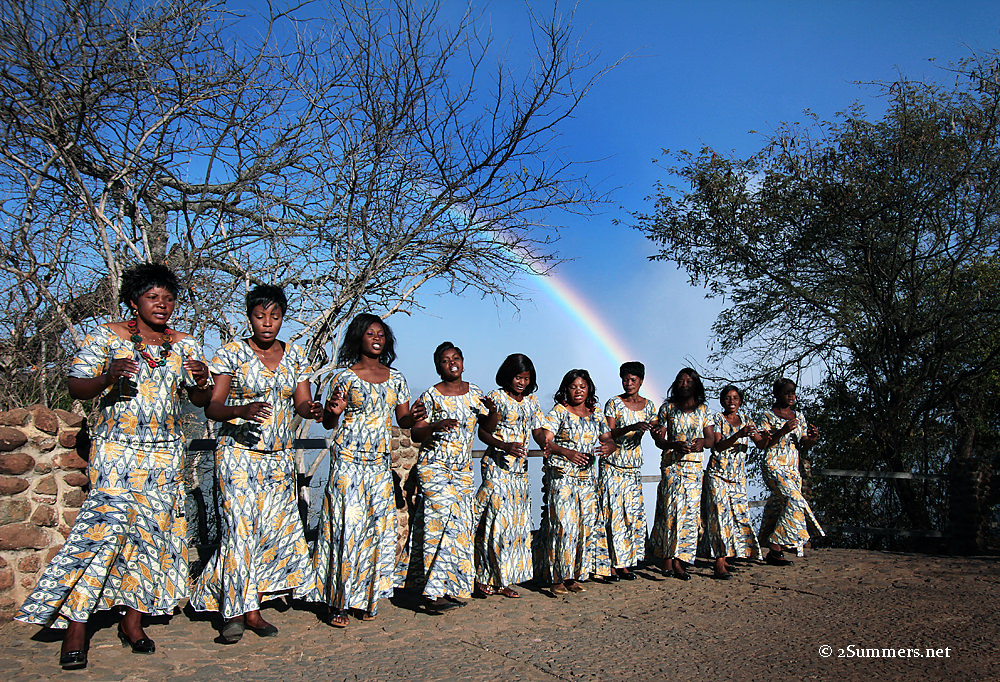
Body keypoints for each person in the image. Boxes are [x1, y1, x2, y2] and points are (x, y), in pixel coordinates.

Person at [15, 264, 212, 669]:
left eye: (169, 298)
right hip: (118, 452)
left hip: (164, 454)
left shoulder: (184, 344)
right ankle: (76, 626)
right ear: (133, 301)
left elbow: (198, 398)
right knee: (100, 537)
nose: (163, 305)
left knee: (150, 539)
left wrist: (202, 379)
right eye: (153, 298)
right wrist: (108, 376)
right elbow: (76, 385)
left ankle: (133, 623)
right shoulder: (107, 336)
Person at [189, 284, 323, 642]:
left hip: (278, 457)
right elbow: (212, 406)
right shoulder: (231, 353)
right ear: (249, 317)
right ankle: (239, 612)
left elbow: (301, 403)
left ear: (283, 318)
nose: (268, 323)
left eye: (275, 316)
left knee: (267, 533)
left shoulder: (295, 356)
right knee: (238, 531)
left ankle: (249, 601)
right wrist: (240, 411)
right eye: (260, 316)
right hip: (237, 455)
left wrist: (313, 409)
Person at [307, 313, 424, 627]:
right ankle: (337, 601)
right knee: (344, 529)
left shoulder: (396, 378)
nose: (377, 338)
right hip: (347, 462)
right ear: (359, 337)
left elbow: (403, 422)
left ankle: (365, 597)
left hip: (377, 466)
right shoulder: (343, 377)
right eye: (370, 333)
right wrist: (332, 412)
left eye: (382, 334)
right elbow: (330, 422)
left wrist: (415, 415)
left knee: (374, 532)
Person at [408, 342, 497, 612]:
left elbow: (487, 430)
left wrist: (493, 412)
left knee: (459, 529)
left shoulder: (476, 393)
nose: (452, 363)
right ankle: (431, 594)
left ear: (463, 361)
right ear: (438, 367)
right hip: (434, 467)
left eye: (456, 358)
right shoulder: (430, 396)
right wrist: (435, 425)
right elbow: (416, 434)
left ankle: (450, 587)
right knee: (438, 527)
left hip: (462, 471)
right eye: (445, 360)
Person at [473, 353, 545, 599]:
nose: (521, 383)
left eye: (526, 378)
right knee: (494, 523)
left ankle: (502, 579)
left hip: (519, 473)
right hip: (497, 468)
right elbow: (483, 433)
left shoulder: (531, 402)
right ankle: (483, 578)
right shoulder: (495, 397)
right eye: (517, 377)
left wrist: (550, 445)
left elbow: (537, 432)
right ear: (508, 375)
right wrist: (505, 446)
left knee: (513, 527)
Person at [538, 369, 614, 595]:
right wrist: (566, 452)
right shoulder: (559, 412)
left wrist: (610, 446)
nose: (578, 391)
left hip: (587, 481)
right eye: (573, 387)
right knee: (563, 526)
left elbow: (608, 439)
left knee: (583, 528)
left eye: (582, 386)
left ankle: (573, 576)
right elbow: (546, 440)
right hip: (562, 478)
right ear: (566, 390)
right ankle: (556, 578)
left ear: (589, 388)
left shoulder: (596, 413)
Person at [650, 368, 716, 580]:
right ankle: (666, 559)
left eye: (689, 381)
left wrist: (702, 443)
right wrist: (672, 444)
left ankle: (680, 561)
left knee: (689, 514)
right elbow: (659, 440)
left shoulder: (704, 410)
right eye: (680, 381)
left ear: (696, 384)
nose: (684, 384)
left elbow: (712, 440)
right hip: (672, 466)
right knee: (670, 512)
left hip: (694, 469)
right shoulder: (667, 408)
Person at [597, 361, 657, 581]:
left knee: (630, 515)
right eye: (625, 379)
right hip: (612, 465)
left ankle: (625, 562)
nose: (628, 383)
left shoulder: (649, 406)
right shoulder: (613, 403)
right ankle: (610, 564)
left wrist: (658, 429)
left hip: (633, 468)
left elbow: (657, 429)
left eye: (633, 379)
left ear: (641, 381)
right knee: (612, 514)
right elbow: (608, 433)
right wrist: (632, 427)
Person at [757, 378, 824, 565]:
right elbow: (764, 444)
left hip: (792, 468)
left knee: (791, 504)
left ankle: (778, 551)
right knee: (795, 500)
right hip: (773, 465)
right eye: (787, 392)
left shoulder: (799, 417)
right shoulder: (767, 416)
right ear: (777, 394)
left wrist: (812, 438)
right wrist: (782, 430)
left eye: (793, 392)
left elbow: (804, 443)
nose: (791, 396)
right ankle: (775, 544)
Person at [703, 385, 765, 579]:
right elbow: (718, 444)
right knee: (720, 517)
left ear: (740, 401)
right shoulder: (717, 419)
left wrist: (774, 436)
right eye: (728, 398)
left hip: (738, 477)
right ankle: (719, 562)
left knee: (738, 516)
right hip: (718, 474)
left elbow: (761, 443)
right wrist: (738, 435)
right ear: (722, 401)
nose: (732, 401)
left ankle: (729, 556)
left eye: (735, 398)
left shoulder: (747, 421)